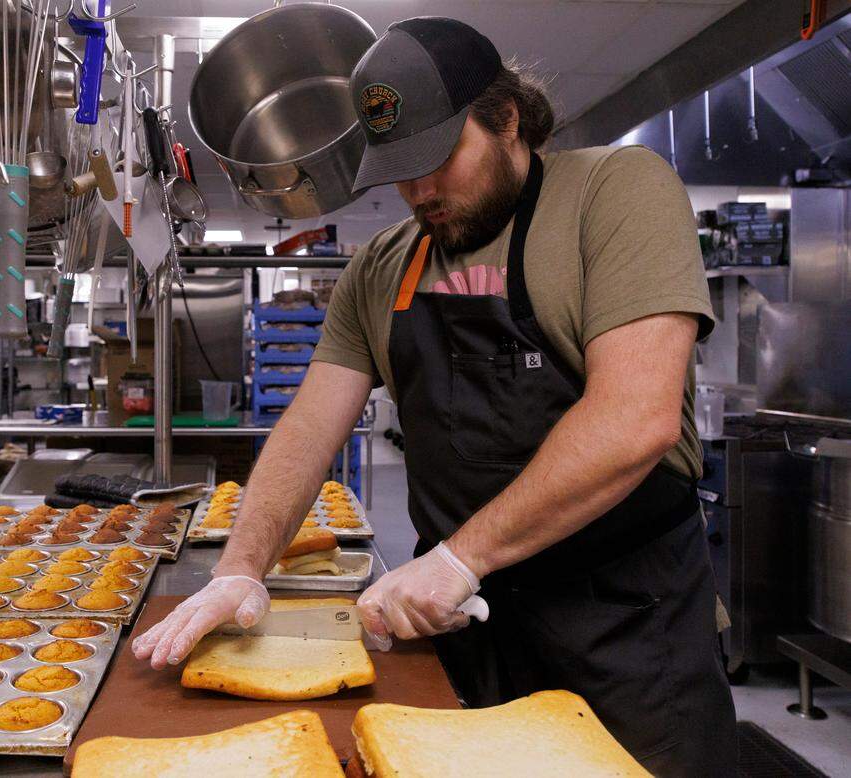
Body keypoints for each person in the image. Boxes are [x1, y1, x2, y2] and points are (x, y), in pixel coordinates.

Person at [135, 16, 736, 776]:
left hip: (626, 635)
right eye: (399, 169)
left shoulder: (614, 193)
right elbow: (308, 428)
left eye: (438, 158)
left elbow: (633, 419)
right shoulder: (381, 267)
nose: (420, 191)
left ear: (506, 118)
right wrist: (242, 569)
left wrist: (460, 556)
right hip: (462, 641)